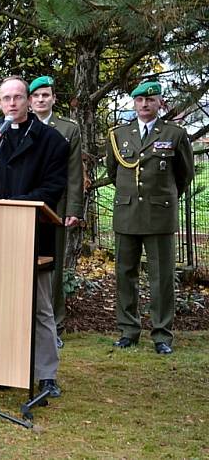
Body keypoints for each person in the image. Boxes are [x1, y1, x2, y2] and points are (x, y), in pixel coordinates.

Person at [0, 76, 69, 397]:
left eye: (18, 97)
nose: (12, 103)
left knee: (40, 308)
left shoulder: (52, 141)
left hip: (34, 235)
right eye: (6, 98)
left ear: (28, 101)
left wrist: (17, 205)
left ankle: (46, 375)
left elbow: (53, 188)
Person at [106, 81, 194, 355]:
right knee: (124, 273)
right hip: (127, 213)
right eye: (140, 100)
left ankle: (162, 334)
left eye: (150, 99)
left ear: (160, 103)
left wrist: (163, 198)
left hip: (159, 216)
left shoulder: (174, 134)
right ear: (134, 103)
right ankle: (128, 330)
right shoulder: (119, 134)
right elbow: (113, 172)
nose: (144, 104)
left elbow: (184, 174)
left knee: (161, 277)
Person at [29, 75, 85, 348]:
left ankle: (55, 324)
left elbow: (75, 172)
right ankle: (25, 321)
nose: (41, 100)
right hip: (24, 206)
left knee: (53, 266)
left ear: (53, 98)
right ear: (30, 100)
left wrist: (73, 207)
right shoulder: (18, 125)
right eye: (36, 96)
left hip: (56, 207)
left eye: (46, 95)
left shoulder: (68, 129)